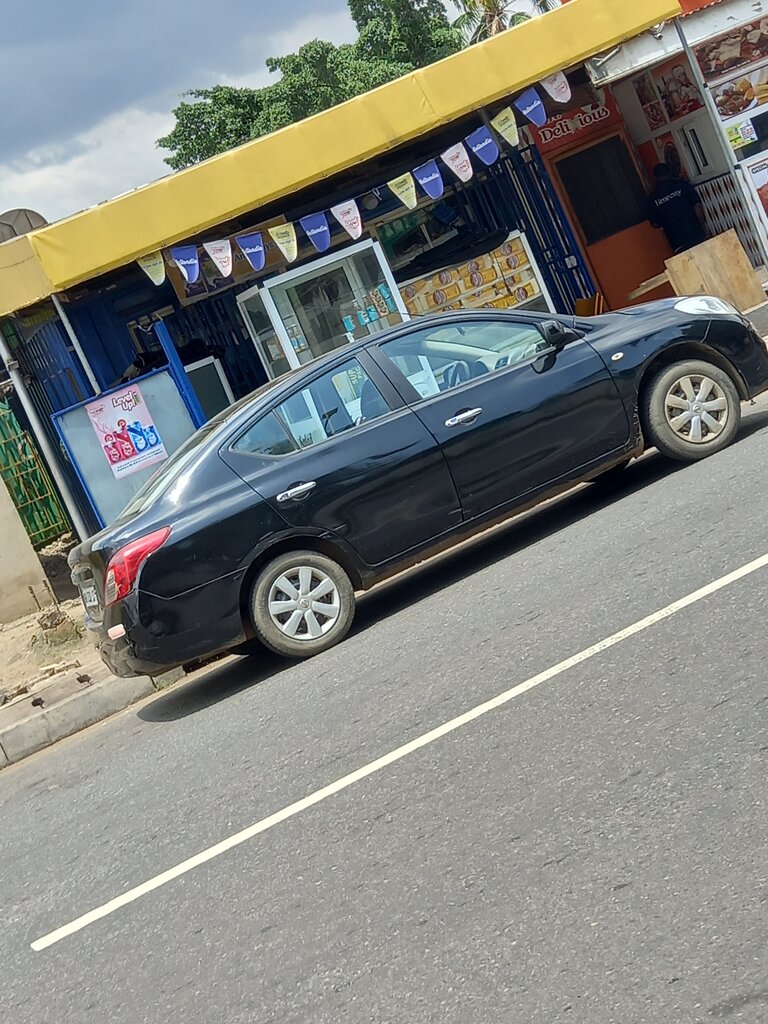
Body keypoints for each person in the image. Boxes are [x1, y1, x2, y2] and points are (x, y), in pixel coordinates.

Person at [647, 163, 708, 255]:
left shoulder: (652, 199)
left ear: (655, 178)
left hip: (676, 242)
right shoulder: (683, 185)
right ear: (669, 172)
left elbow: (655, 223)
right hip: (695, 233)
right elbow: (697, 206)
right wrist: (702, 225)